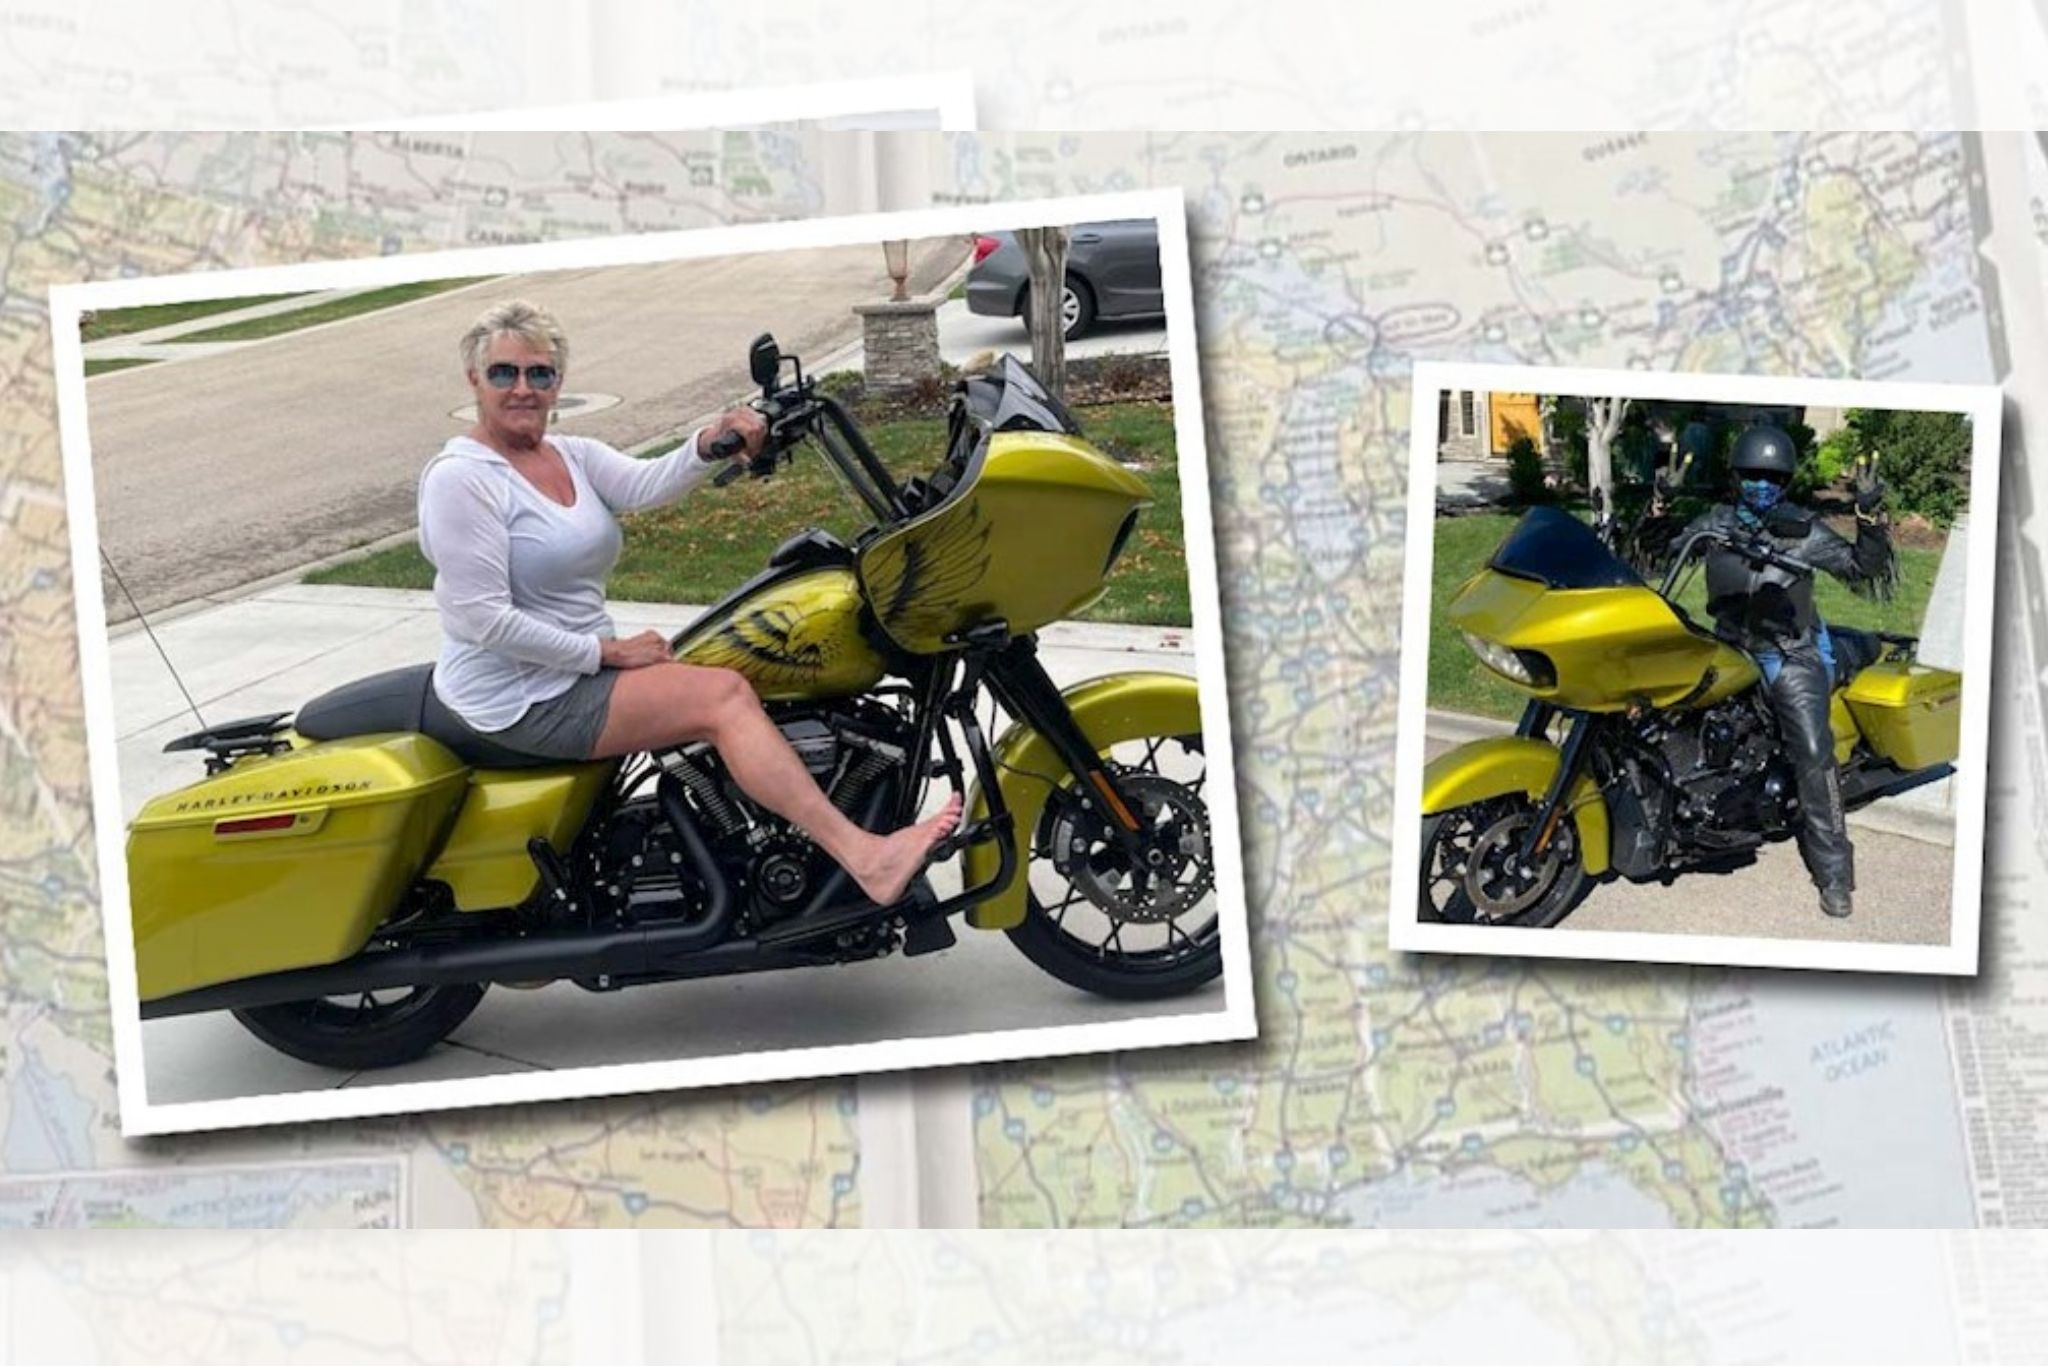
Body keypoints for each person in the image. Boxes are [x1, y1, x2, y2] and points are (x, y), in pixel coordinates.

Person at [418, 299, 960, 907]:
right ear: (474, 379)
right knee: (722, 697)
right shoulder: (462, 478)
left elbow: (644, 483)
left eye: (539, 373)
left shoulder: (567, 454)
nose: (523, 388)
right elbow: (481, 618)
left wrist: (708, 444)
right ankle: (868, 859)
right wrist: (604, 653)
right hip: (523, 694)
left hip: (568, 671)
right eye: (504, 373)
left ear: (558, 383)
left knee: (742, 662)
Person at [1676, 424, 1894, 919]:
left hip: (1788, 654)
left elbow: (1863, 568)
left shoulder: (1804, 531)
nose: (1761, 484)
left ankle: (1834, 871)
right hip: (1728, 644)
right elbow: (1660, 552)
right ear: (1736, 476)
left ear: (1786, 481)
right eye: (1752, 474)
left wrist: (1868, 515)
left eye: (1772, 477)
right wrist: (1660, 506)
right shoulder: (1717, 523)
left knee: (1814, 754)